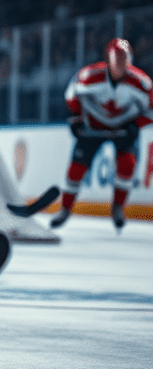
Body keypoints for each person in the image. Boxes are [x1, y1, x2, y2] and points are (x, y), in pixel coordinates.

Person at [52, 38, 152, 232]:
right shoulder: (89, 76)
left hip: (123, 130)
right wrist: (77, 118)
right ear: (108, 58)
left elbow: (151, 110)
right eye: (118, 58)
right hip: (93, 128)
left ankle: (118, 208)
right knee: (76, 169)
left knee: (127, 165)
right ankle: (64, 209)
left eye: (125, 58)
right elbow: (71, 95)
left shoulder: (142, 83)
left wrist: (136, 125)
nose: (121, 63)